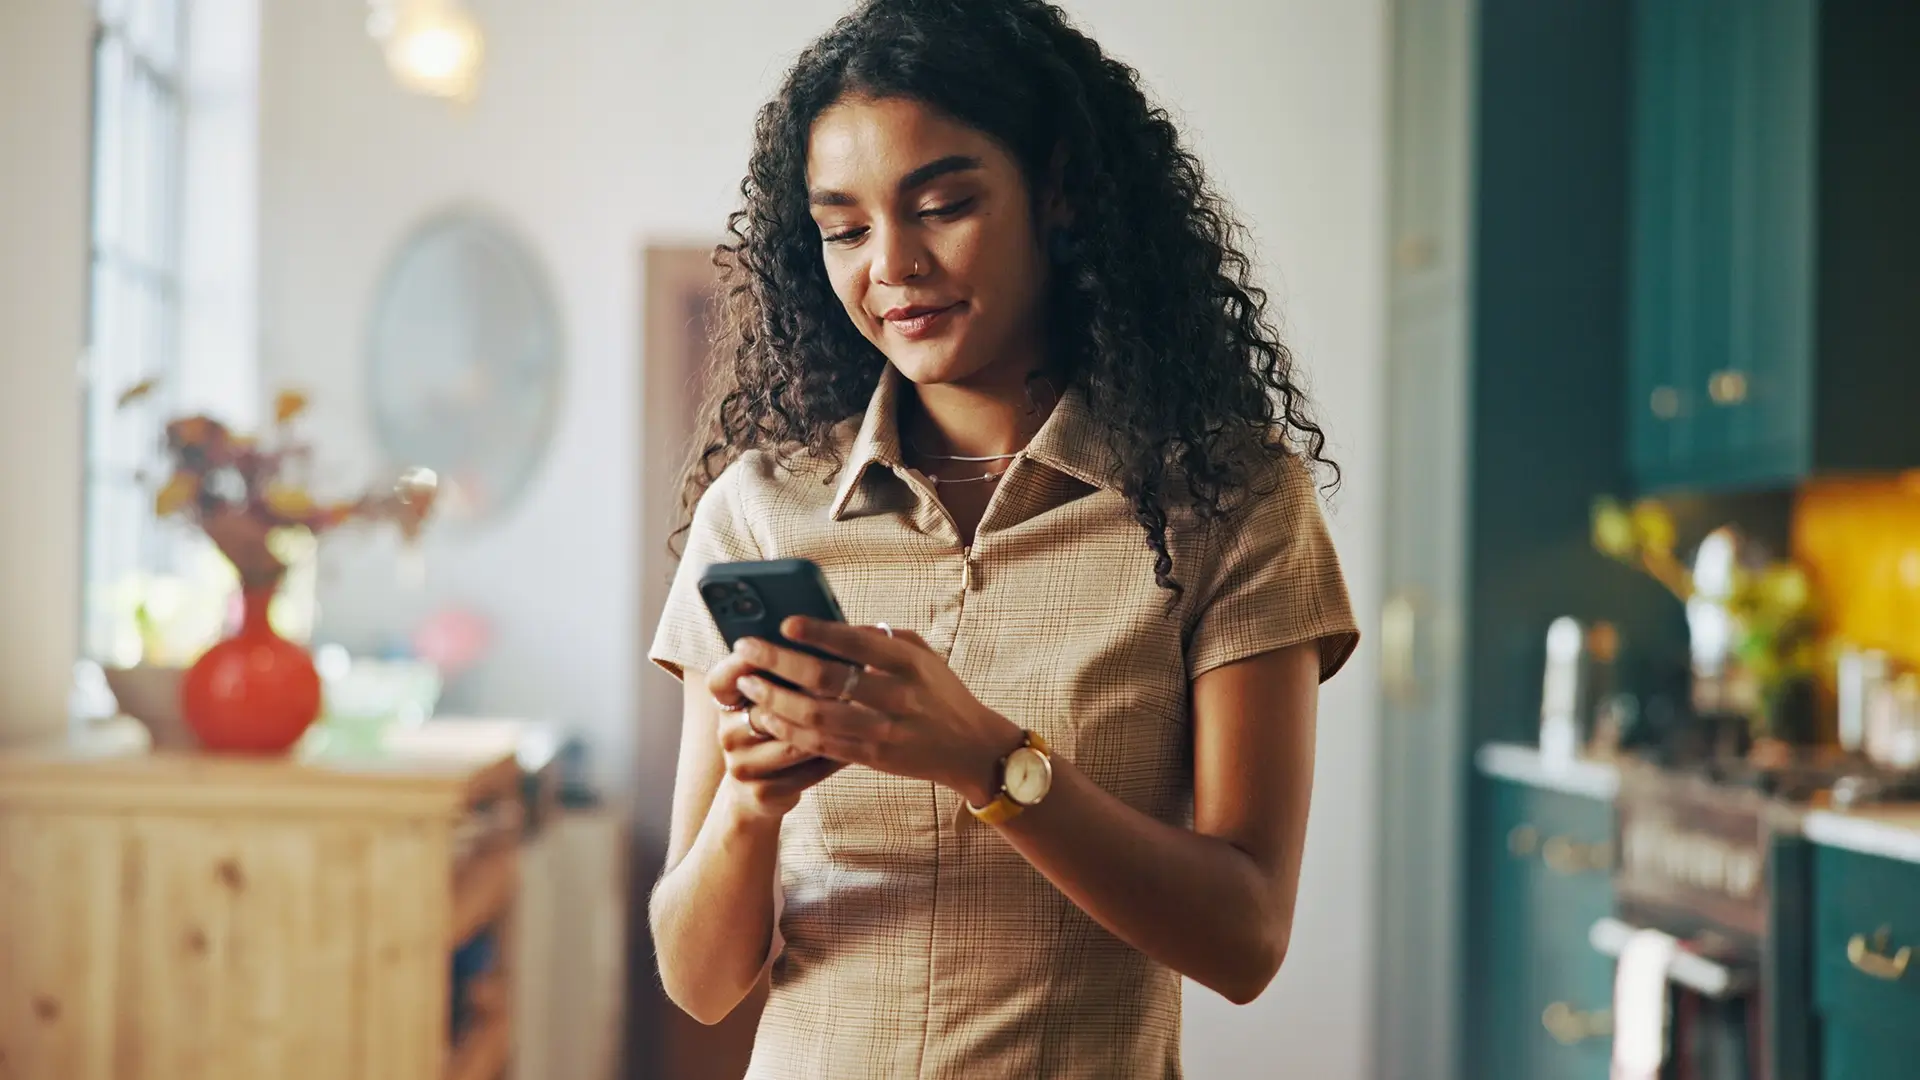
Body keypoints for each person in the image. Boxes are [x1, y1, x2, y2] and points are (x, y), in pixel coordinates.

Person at [647, 1, 1359, 1075]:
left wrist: (988, 761)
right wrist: (750, 808)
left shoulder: (1228, 498)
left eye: (941, 205)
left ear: (1060, 192)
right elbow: (699, 985)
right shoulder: (757, 511)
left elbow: (1246, 938)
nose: (890, 265)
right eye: (844, 228)